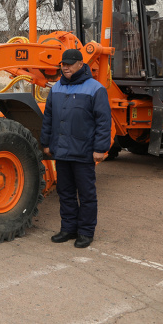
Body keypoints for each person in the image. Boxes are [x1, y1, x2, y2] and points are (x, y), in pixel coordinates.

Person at [41, 48, 111, 249]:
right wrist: (46, 143)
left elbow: (103, 122)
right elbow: (48, 119)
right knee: (65, 192)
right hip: (62, 151)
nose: (65, 67)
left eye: (69, 64)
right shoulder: (56, 89)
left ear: (81, 64)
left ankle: (86, 232)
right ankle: (68, 229)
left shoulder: (95, 89)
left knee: (87, 194)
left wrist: (100, 148)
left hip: (83, 152)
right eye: (63, 64)